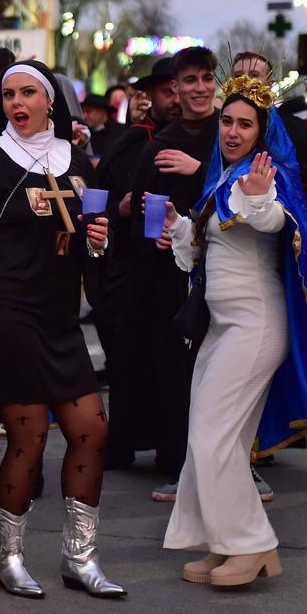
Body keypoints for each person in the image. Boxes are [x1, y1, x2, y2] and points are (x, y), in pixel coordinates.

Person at [158, 76, 307, 587]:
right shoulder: (223, 176)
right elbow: (207, 254)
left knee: (212, 437)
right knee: (213, 439)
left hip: (254, 327)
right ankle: (223, 540)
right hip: (224, 327)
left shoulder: (264, 173)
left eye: (244, 124)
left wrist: (258, 198)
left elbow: (279, 221)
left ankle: (251, 545)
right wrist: (179, 228)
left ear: (261, 132)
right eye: (227, 122)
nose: (232, 132)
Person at [0, 59, 125, 600]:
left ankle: (80, 557)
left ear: (50, 101)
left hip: (59, 317)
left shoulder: (79, 161)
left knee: (92, 429)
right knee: (29, 438)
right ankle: (9, 558)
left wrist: (98, 240)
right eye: (8, 95)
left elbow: (91, 248)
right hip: (7, 313)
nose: (17, 103)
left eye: (28, 93)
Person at [115, 46, 226, 502]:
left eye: (206, 79)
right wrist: (156, 235)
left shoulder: (233, 131)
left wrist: (201, 171)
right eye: (189, 81)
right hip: (171, 282)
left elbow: (261, 192)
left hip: (230, 275)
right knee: (178, 374)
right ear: (174, 89)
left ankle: (237, 466)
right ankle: (183, 464)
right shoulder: (160, 143)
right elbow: (145, 206)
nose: (199, 89)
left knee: (226, 373)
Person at [94, 56, 180, 465]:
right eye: (168, 91)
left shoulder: (205, 137)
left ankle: (170, 447)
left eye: (180, 88)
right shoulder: (130, 140)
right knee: (129, 358)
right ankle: (125, 441)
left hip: (177, 269)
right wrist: (119, 212)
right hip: (131, 269)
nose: (176, 98)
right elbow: (94, 200)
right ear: (151, 96)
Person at [232, 52, 307, 232]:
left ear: (270, 84)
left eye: (254, 75)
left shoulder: (294, 129)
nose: (245, 82)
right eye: (238, 76)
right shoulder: (220, 127)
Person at [81, 93, 125, 157]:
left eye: (88, 111)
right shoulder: (85, 133)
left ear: (102, 112)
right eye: (83, 112)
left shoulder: (121, 131)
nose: (84, 116)